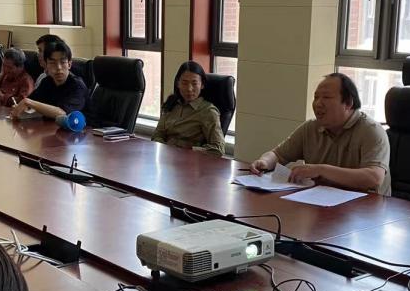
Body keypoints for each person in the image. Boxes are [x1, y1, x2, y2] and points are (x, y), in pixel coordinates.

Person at [250, 73, 391, 196]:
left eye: (326, 97)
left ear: (348, 103)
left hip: (365, 210)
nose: (318, 104)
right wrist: (265, 161)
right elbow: (278, 154)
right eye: (316, 97)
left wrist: (321, 170)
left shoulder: (371, 131)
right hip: (321, 203)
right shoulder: (311, 127)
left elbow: (374, 178)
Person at [152, 61, 226, 156]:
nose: (189, 89)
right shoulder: (172, 103)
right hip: (166, 156)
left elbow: (218, 149)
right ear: (178, 83)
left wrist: (188, 150)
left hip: (191, 161)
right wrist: (166, 148)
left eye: (194, 84)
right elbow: (157, 135)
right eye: (184, 83)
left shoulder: (208, 111)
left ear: (202, 85)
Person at [10, 38, 88, 121]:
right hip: (52, 126)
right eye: (53, 63)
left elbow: (63, 113)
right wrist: (20, 108)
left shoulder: (77, 85)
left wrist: (28, 103)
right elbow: (30, 103)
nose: (58, 67)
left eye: (62, 62)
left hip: (83, 128)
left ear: (69, 64)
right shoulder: (47, 82)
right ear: (46, 65)